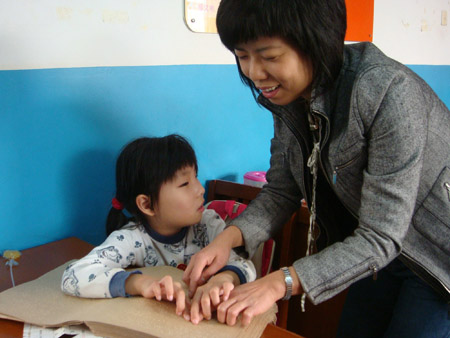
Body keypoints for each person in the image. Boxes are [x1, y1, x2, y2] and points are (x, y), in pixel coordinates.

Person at [183, 0, 450, 336]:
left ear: (316, 43)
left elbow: (382, 235)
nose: (253, 72)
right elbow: (281, 190)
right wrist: (228, 240)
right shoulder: (289, 97)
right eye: (242, 55)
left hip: (439, 259)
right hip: (377, 254)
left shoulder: (386, 91)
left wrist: (278, 283)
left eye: (269, 56)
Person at [61, 134, 256, 323]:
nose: (200, 189)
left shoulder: (208, 224)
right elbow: (73, 276)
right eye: (185, 183)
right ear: (146, 205)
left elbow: (245, 264)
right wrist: (139, 283)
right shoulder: (133, 238)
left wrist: (224, 279)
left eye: (195, 177)